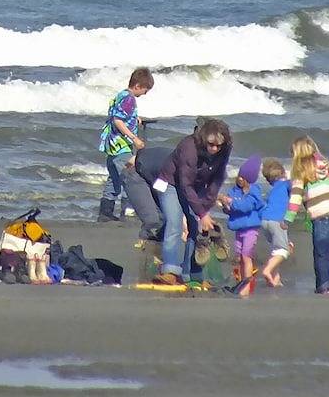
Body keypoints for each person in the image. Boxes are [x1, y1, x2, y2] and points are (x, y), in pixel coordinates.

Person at [152, 118, 232, 285]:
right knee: (174, 224)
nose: (215, 149)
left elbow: (217, 178)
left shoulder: (224, 150)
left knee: (196, 228)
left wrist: (206, 208)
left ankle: (192, 275)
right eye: (211, 144)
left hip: (196, 185)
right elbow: (185, 184)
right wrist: (201, 213)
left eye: (219, 145)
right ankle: (170, 271)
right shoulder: (189, 148)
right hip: (171, 183)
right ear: (204, 139)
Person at [285, 136, 329, 294]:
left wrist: (288, 218)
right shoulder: (325, 166)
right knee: (325, 252)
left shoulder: (300, 169)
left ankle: (323, 287)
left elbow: (296, 196)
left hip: (320, 215)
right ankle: (327, 285)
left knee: (320, 252)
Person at [97, 67, 154, 222]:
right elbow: (118, 120)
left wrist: (135, 118)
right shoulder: (129, 99)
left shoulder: (121, 95)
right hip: (120, 145)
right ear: (137, 86)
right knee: (129, 176)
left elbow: (120, 114)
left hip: (113, 145)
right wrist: (134, 138)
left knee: (114, 178)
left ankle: (105, 212)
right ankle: (127, 210)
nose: (145, 93)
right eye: (145, 90)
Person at [217, 154, 264, 296]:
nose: (240, 179)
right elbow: (232, 209)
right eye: (239, 175)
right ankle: (243, 281)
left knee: (246, 256)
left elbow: (246, 206)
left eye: (243, 177)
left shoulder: (254, 191)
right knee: (240, 258)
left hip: (250, 229)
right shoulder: (234, 191)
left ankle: (246, 287)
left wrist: (229, 201)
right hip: (239, 229)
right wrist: (225, 205)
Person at [121, 145, 172, 247]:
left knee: (168, 219)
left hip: (155, 177)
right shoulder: (183, 161)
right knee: (153, 220)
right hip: (135, 172)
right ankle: (144, 246)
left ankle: (158, 248)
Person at [258, 158, 292, 288]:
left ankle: (276, 278)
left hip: (264, 220)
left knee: (276, 249)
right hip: (277, 220)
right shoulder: (286, 184)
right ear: (283, 173)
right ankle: (267, 270)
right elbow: (296, 186)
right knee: (283, 250)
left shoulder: (273, 190)